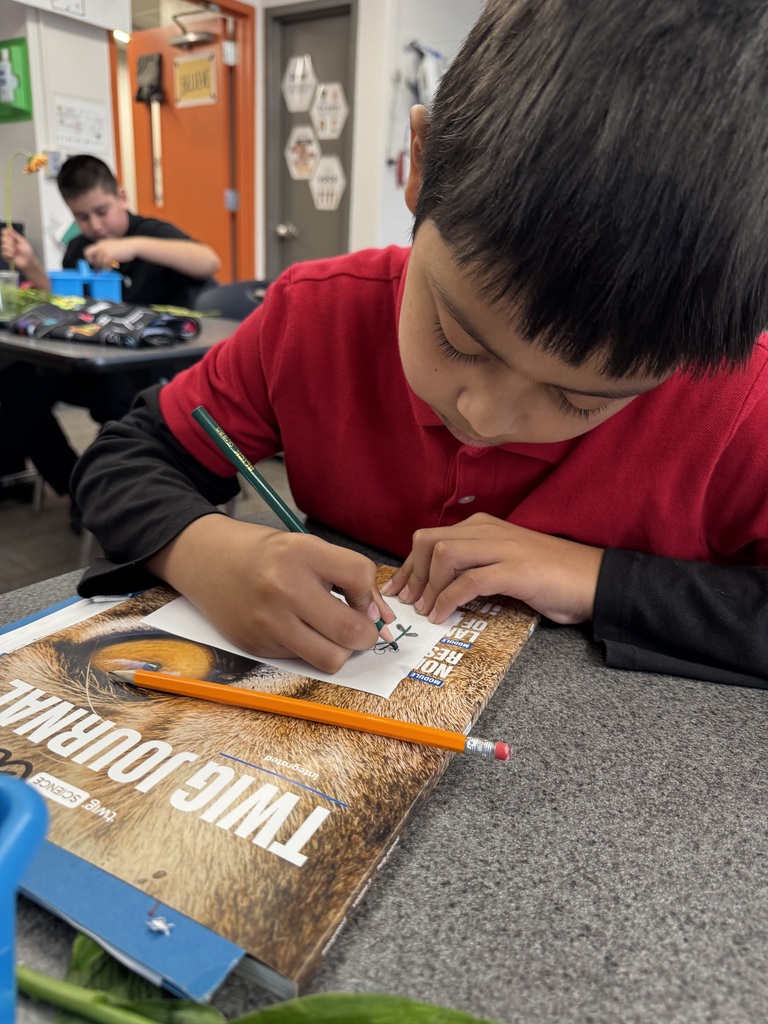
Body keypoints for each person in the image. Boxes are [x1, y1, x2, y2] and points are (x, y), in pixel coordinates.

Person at [73, 0, 768, 688]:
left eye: (579, 399)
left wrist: (600, 579)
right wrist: (203, 551)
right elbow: (125, 458)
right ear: (422, 163)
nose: (485, 417)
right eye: (459, 337)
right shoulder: (317, 314)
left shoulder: (741, 402)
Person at [0, 155, 221, 515]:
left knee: (117, 399)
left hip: (153, 370)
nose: (95, 225)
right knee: (15, 386)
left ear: (122, 197)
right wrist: (32, 266)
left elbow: (209, 261)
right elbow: (66, 308)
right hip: (97, 366)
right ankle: (77, 485)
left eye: (102, 211)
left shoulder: (152, 233)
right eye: (82, 217)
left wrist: (132, 246)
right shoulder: (78, 249)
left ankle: (118, 493)